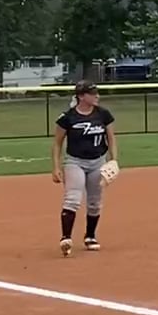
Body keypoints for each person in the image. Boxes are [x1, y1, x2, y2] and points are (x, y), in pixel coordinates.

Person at [51, 82, 118, 256]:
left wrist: (113, 160)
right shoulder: (68, 117)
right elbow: (57, 143)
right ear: (81, 96)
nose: (97, 96)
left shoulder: (103, 114)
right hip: (75, 161)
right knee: (72, 198)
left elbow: (111, 138)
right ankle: (66, 238)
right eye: (92, 94)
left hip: (98, 161)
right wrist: (56, 167)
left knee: (95, 201)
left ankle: (90, 236)